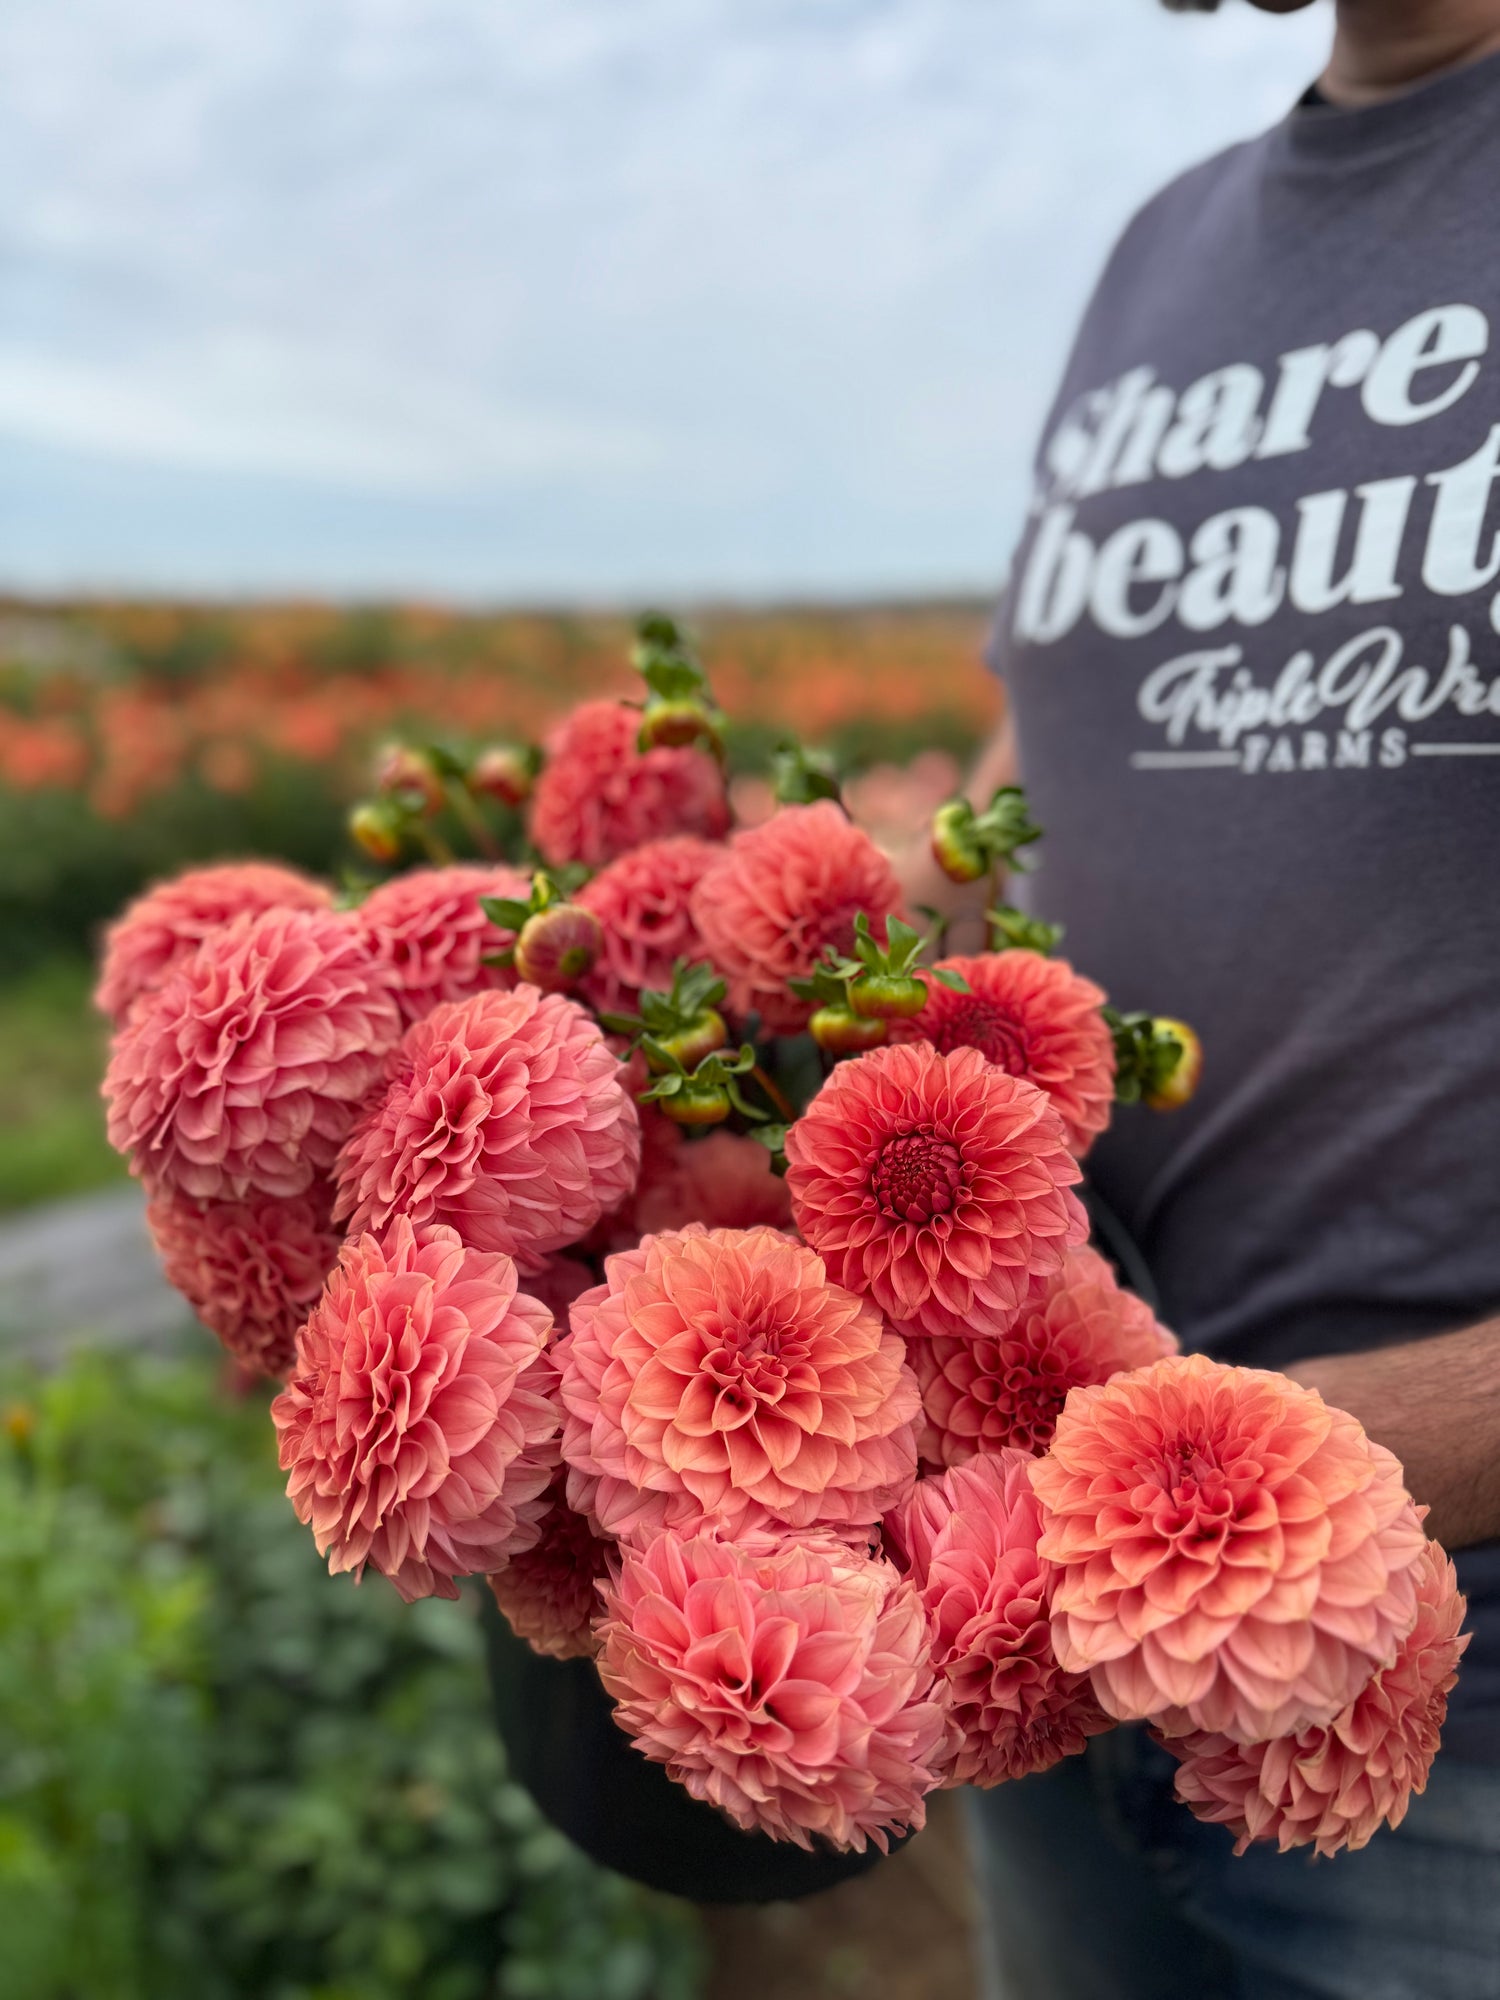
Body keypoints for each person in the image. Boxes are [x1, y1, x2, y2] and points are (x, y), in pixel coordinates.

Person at [905, 3, 1500, 1994]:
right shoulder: (1168, 243)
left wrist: (1312, 1460)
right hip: (1063, 1592)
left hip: (1456, 1660)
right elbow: (1047, 764)